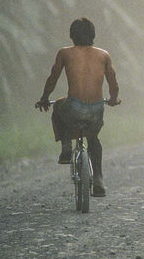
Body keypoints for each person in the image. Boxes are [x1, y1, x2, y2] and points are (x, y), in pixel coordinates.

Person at [35, 17, 121, 197]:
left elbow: (52, 78)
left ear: (72, 36)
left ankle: (66, 147)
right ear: (93, 35)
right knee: (94, 138)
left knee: (59, 105)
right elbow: (113, 82)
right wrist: (113, 99)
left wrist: (44, 98)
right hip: (97, 108)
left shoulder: (65, 53)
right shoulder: (104, 55)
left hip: (74, 107)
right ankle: (98, 179)